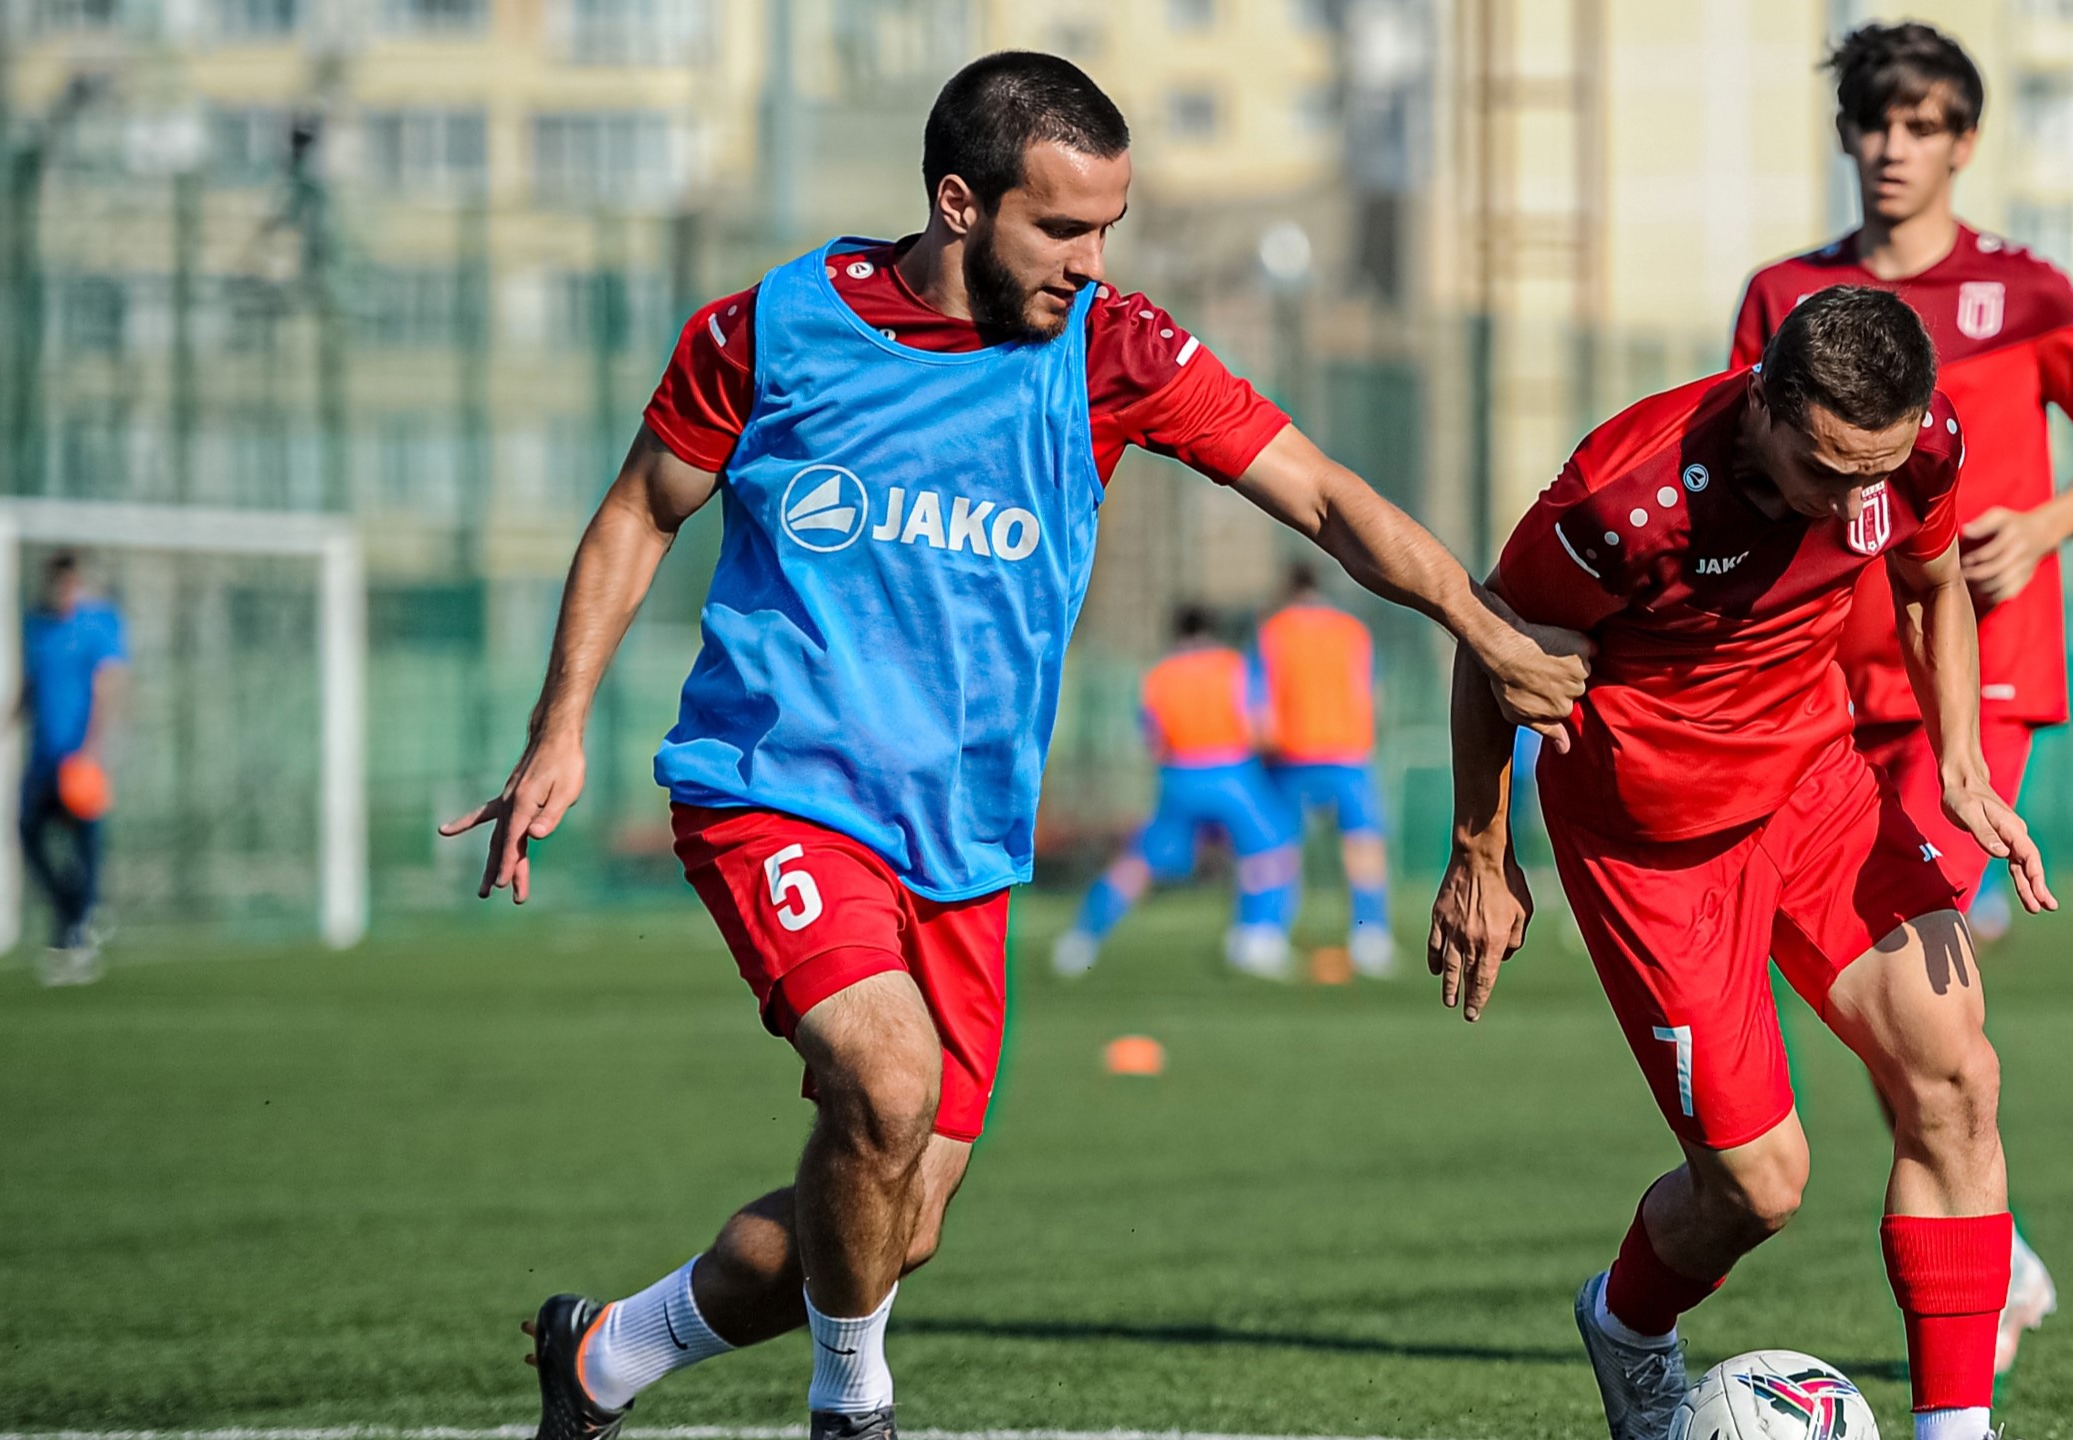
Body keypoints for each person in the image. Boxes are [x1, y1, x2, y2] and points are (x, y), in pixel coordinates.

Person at [444, 52, 1588, 1440]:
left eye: (1109, 228)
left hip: (965, 840)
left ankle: (608, 1354)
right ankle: (853, 1407)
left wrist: (1483, 624)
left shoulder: (1115, 351)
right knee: (886, 1083)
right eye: (1061, 228)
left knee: (890, 1212)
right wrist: (558, 728)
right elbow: (639, 509)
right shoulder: (774, 330)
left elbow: (1326, 499)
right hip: (777, 789)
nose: (1091, 260)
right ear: (957, 203)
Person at [1428, 287, 2054, 1440]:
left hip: (1815, 791)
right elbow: (1493, 644)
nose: (1859, 502)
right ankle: (1624, 1325)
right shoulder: (1628, 501)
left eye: (1881, 470)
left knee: (1955, 1072)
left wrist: (1960, 762)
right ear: (1762, 403)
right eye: (1830, 473)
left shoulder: (1914, 452)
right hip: (1653, 847)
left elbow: (1931, 584)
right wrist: (1481, 851)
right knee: (1758, 1189)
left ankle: (1956, 1432)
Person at [1730, 21, 2073, 1373]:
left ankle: (1980, 1247)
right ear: (1848, 133)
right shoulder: (1786, 292)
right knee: (1883, 989)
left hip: (1980, 674)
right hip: (1817, 679)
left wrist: (2041, 525)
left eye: (1923, 127)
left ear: (1964, 142)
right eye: (1875, 123)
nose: (1894, 149)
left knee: (1914, 962)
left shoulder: (2028, 291)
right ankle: (1993, 1231)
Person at [1054, 605, 1301, 980]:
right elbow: (1259, 727)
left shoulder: (1159, 675)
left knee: (1140, 862)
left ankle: (1082, 938)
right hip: (1233, 774)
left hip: (1181, 777)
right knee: (1270, 851)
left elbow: (1153, 739)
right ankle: (1257, 938)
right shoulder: (1233, 666)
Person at [1256, 565, 1394, 976]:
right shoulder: (1351, 630)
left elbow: (1260, 705)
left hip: (1292, 754)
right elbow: (1373, 694)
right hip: (1348, 753)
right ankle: (1371, 936)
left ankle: (1265, 935)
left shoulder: (1274, 631)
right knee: (1363, 846)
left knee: (1279, 846)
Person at [14, 551, 128, 987]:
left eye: (69, 583)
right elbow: (30, 687)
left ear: (77, 583)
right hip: (43, 759)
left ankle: (76, 933)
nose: (62, 590)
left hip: (79, 760)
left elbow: (107, 687)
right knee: (28, 833)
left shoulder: (97, 625)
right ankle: (76, 909)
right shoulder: (38, 627)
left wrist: (96, 749)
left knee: (84, 846)